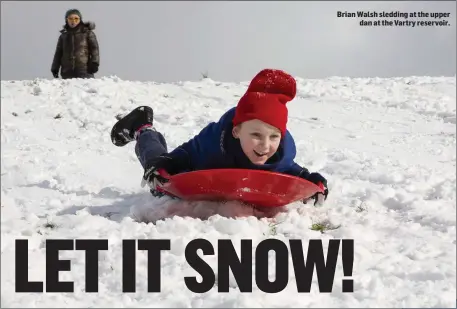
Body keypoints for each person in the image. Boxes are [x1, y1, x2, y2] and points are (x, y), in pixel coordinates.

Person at [111, 69, 329, 206]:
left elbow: (289, 171)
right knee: (158, 175)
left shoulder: (281, 152)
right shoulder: (216, 140)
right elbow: (188, 153)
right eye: (255, 135)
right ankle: (142, 126)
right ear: (237, 131)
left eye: (274, 136)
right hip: (200, 164)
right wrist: (165, 164)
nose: (265, 145)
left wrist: (311, 181)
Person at [51, 9, 100, 79]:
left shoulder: (87, 33)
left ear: (80, 20)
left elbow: (94, 49)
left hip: (84, 71)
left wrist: (95, 63)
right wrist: (55, 68)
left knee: (84, 89)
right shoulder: (63, 36)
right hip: (67, 72)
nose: (73, 21)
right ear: (66, 20)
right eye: (70, 19)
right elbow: (58, 53)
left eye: (76, 19)